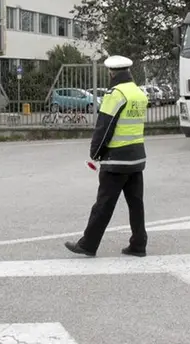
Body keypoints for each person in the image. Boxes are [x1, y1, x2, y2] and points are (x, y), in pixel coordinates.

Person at [64, 55, 149, 258]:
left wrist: (95, 153)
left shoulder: (115, 94)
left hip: (116, 160)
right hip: (137, 158)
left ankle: (88, 244)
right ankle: (139, 244)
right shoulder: (139, 93)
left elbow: (105, 126)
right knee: (136, 204)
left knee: (103, 204)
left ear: (111, 72)